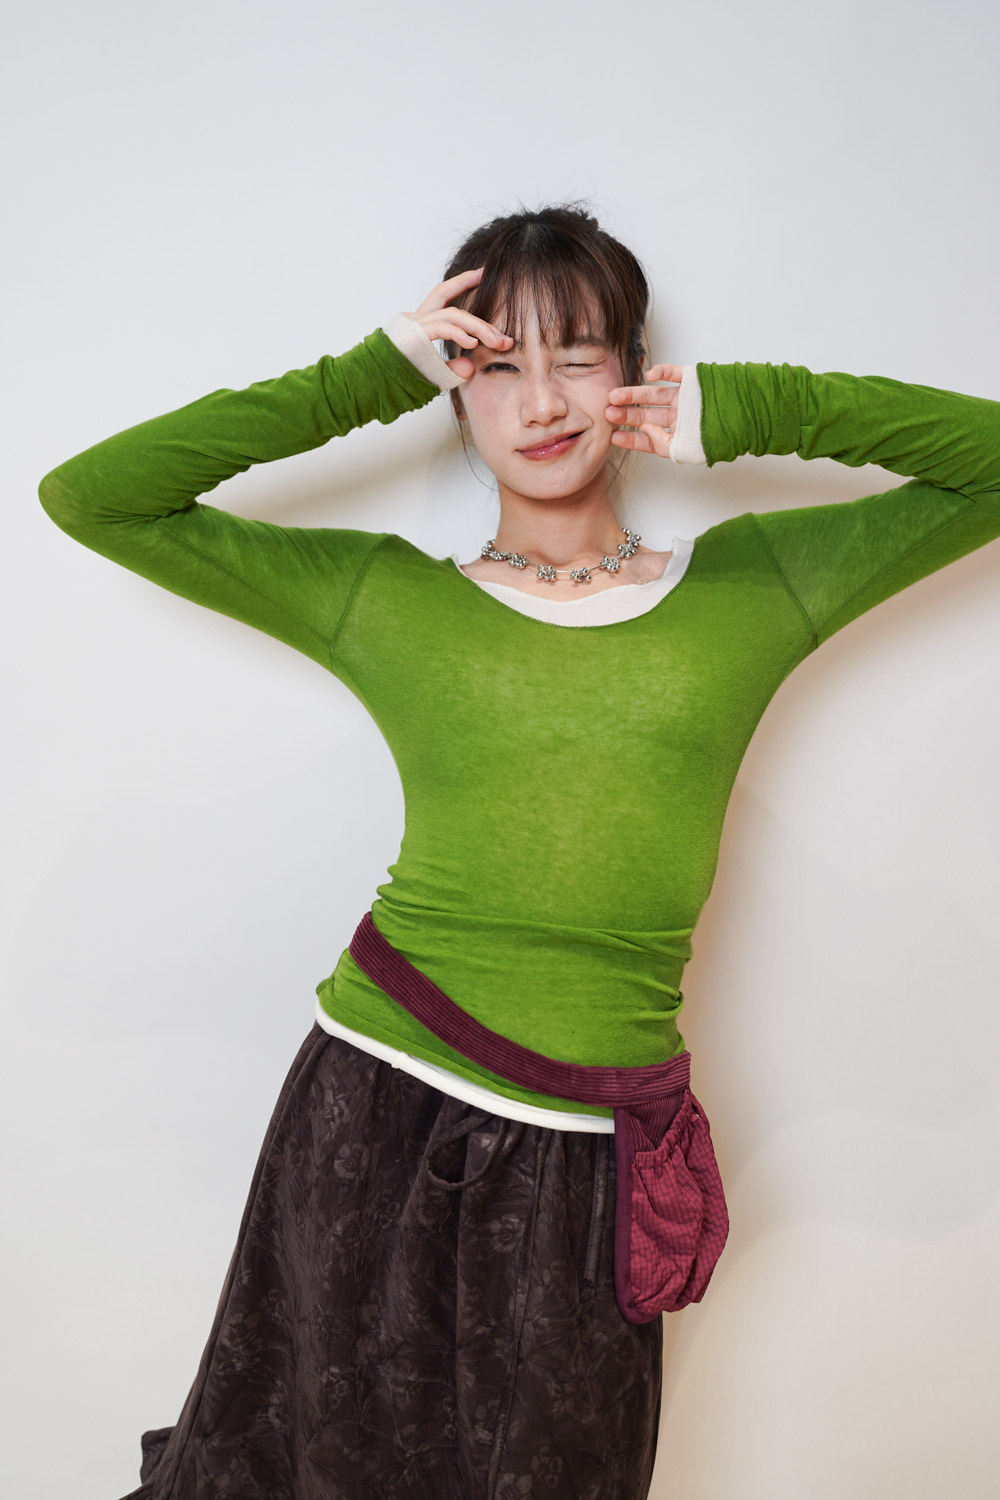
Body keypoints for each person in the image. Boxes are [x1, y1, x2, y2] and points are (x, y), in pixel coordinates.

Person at [37, 203, 1000, 1500]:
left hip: (591, 1148)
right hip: (373, 1103)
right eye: (495, 364)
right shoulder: (387, 596)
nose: (541, 401)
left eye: (579, 356)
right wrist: (365, 376)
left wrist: (756, 407)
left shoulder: (754, 584)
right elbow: (94, 497)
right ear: (452, 389)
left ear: (634, 374)